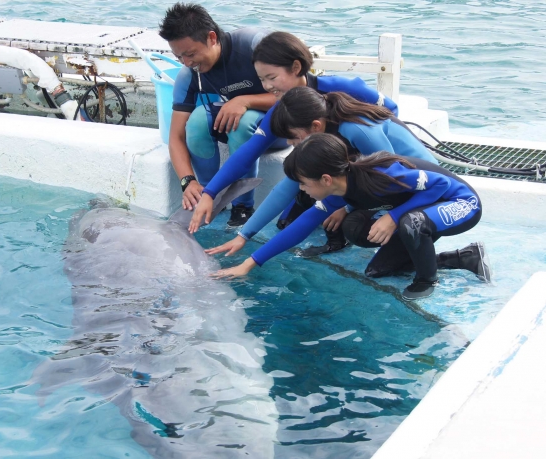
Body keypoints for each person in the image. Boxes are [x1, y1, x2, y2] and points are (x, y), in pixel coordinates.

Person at [212, 133, 491, 300]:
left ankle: (428, 280)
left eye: (304, 183)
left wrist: (393, 217)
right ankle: (465, 257)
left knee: (411, 223)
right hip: (425, 210)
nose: (302, 190)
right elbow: (300, 227)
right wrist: (249, 262)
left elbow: (442, 186)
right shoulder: (338, 192)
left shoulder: (383, 176)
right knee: (377, 270)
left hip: (460, 203)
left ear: (325, 178)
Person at [188, 31, 398, 232]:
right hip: (325, 174)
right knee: (287, 224)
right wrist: (210, 192)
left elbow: (391, 112)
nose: (267, 86)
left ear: (296, 67)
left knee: (354, 227)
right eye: (261, 79)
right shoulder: (281, 110)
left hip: (368, 171)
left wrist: (347, 202)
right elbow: (248, 153)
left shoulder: (341, 87)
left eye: (272, 77)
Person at [205, 85, 437, 259]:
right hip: (373, 179)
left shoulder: (358, 130)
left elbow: (391, 179)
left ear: (316, 126)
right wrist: (244, 235)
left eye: (294, 137)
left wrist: (346, 207)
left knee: (354, 227)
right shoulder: (322, 135)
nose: (290, 143)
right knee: (291, 217)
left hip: (418, 188)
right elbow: (285, 187)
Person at [159, 3, 276, 226]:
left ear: (212, 38)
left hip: (277, 127)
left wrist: (245, 100)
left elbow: (301, 93)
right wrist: (187, 181)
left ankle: (242, 206)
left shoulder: (254, 46)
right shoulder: (189, 75)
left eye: (191, 54)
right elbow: (176, 137)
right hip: (238, 130)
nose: (187, 63)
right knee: (196, 121)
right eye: (179, 56)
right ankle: (209, 194)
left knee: (243, 121)